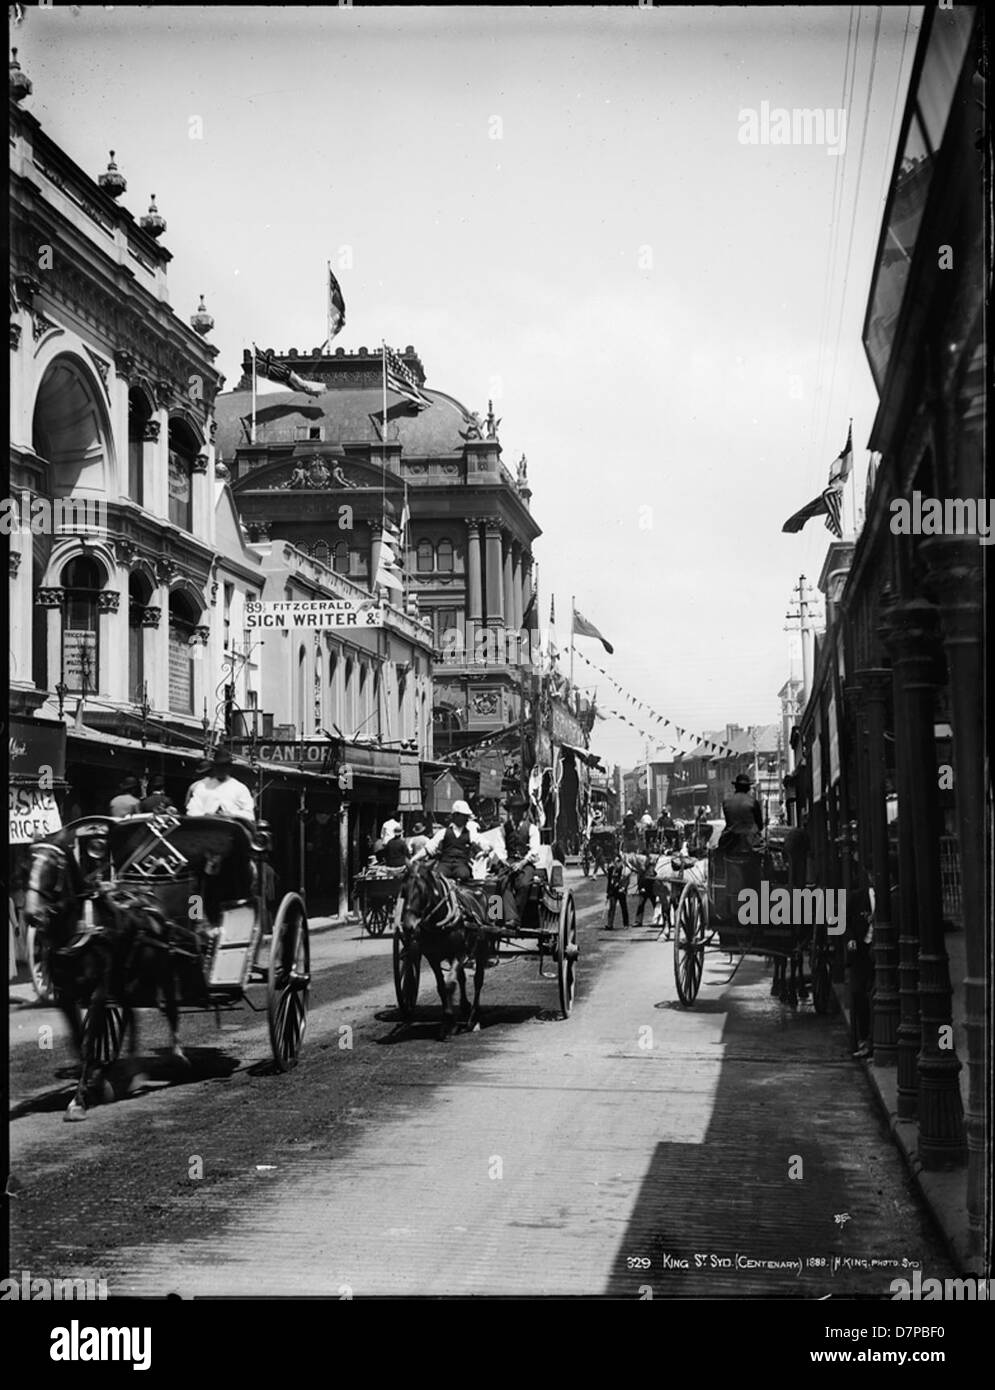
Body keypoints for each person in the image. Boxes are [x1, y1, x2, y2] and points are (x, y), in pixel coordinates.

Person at [410, 800, 498, 882]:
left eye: (467, 816)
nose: (466, 819)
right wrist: (412, 860)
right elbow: (428, 848)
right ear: (455, 816)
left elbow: (483, 842)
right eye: (464, 816)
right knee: (436, 877)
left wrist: (487, 848)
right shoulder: (443, 832)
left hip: (461, 865)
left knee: (463, 875)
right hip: (445, 864)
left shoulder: (471, 834)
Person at [500, 792, 541, 931]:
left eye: (519, 810)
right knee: (502, 883)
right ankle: (497, 916)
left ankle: (516, 918)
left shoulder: (532, 829)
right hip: (509, 861)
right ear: (510, 811)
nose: (516, 813)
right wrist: (505, 862)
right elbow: (499, 848)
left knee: (524, 884)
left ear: (523, 812)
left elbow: (534, 850)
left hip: (525, 862)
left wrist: (522, 863)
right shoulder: (503, 828)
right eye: (513, 810)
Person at [186, 749, 256, 824]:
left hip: (230, 830)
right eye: (218, 766)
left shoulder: (240, 788)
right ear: (214, 767)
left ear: (229, 767)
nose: (221, 769)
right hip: (205, 827)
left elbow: (250, 815)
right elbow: (191, 810)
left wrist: (231, 814)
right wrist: (206, 815)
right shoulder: (202, 786)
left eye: (224, 766)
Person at [717, 774, 764, 856]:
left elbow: (729, 821)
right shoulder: (753, 802)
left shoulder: (726, 802)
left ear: (736, 787)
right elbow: (760, 825)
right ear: (748, 788)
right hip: (751, 842)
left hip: (730, 841)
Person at [605, 854, 631, 929]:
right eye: (616, 861)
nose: (617, 863)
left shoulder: (624, 870)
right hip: (613, 891)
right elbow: (609, 882)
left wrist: (624, 888)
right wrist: (608, 892)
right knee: (611, 908)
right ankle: (610, 924)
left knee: (624, 907)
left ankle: (626, 924)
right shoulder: (611, 870)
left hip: (621, 890)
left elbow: (627, 881)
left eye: (618, 861)